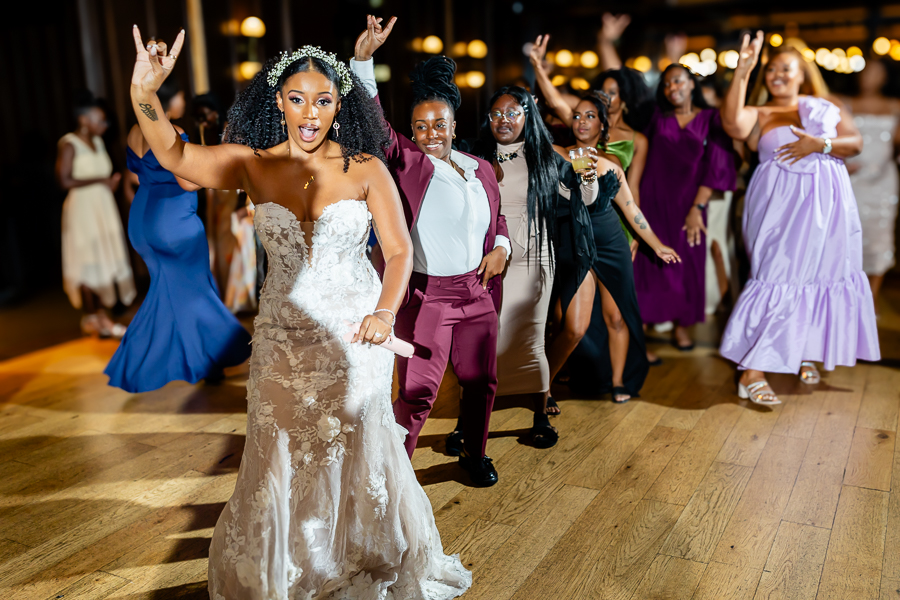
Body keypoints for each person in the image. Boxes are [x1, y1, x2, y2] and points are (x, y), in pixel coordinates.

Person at [128, 26, 470, 599]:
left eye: (324, 100)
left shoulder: (365, 167)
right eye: (297, 99)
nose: (310, 112)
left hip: (357, 332)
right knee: (280, 445)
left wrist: (385, 314)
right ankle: (290, 565)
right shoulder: (252, 164)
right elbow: (176, 154)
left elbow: (400, 250)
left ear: (340, 105)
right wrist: (145, 92)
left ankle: (363, 554)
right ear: (277, 101)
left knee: (358, 437)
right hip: (283, 336)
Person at [350, 16, 509, 487]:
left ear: (455, 124)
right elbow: (376, 126)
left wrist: (501, 246)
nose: (430, 132)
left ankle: (475, 455)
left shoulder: (479, 167)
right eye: (420, 126)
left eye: (439, 123)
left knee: (482, 384)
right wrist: (363, 61)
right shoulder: (408, 164)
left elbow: (496, 220)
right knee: (418, 391)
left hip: (478, 293)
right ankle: (393, 472)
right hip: (428, 297)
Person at [719, 33, 880, 404]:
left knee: (819, 276)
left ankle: (804, 350)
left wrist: (818, 143)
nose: (776, 74)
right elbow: (732, 125)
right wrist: (742, 72)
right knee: (775, 276)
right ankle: (752, 371)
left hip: (828, 208)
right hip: (778, 209)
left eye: (785, 69)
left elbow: (854, 143)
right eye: (771, 69)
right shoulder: (759, 113)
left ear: (802, 75)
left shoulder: (825, 104)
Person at [459, 86, 599, 448]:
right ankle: (468, 420)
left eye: (511, 113)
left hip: (535, 256)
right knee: (483, 340)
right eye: (495, 114)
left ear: (526, 116)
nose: (502, 120)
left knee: (531, 335)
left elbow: (584, 199)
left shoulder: (545, 155)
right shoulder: (475, 155)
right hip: (488, 257)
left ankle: (540, 412)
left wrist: (588, 175)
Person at [105, 70, 252, 393]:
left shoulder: (135, 130)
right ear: (168, 99)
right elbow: (188, 180)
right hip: (174, 223)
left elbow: (135, 173)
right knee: (196, 291)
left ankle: (201, 362)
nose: (184, 101)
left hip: (142, 221)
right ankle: (218, 354)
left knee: (171, 293)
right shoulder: (173, 132)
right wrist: (218, 166)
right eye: (182, 95)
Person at [546, 91, 680, 404]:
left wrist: (657, 245)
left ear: (603, 127)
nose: (581, 121)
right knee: (570, 324)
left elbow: (631, 209)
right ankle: (544, 385)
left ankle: (619, 381)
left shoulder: (611, 166)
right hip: (576, 246)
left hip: (611, 243)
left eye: (590, 116)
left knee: (616, 318)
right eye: (577, 115)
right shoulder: (555, 154)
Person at [631, 63, 737, 352]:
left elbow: (715, 167)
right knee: (650, 267)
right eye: (666, 84)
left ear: (692, 83)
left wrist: (696, 208)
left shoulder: (710, 118)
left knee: (687, 265)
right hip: (652, 203)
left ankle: (681, 328)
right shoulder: (655, 116)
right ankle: (640, 336)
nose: (671, 88)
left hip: (689, 205)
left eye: (677, 81)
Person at [56, 91, 135, 338]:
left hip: (102, 206)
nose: (104, 125)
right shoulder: (69, 143)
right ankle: (95, 317)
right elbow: (64, 180)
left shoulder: (99, 142)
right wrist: (99, 180)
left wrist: (109, 184)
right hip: (82, 209)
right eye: (99, 120)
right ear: (83, 119)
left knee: (103, 257)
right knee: (87, 260)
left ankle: (100, 316)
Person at [844, 59, 900, 312]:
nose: (869, 77)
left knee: (878, 239)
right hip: (850, 179)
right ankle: (845, 301)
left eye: (876, 73)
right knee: (848, 238)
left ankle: (870, 304)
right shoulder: (844, 103)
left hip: (883, 181)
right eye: (866, 72)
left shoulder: (895, 106)